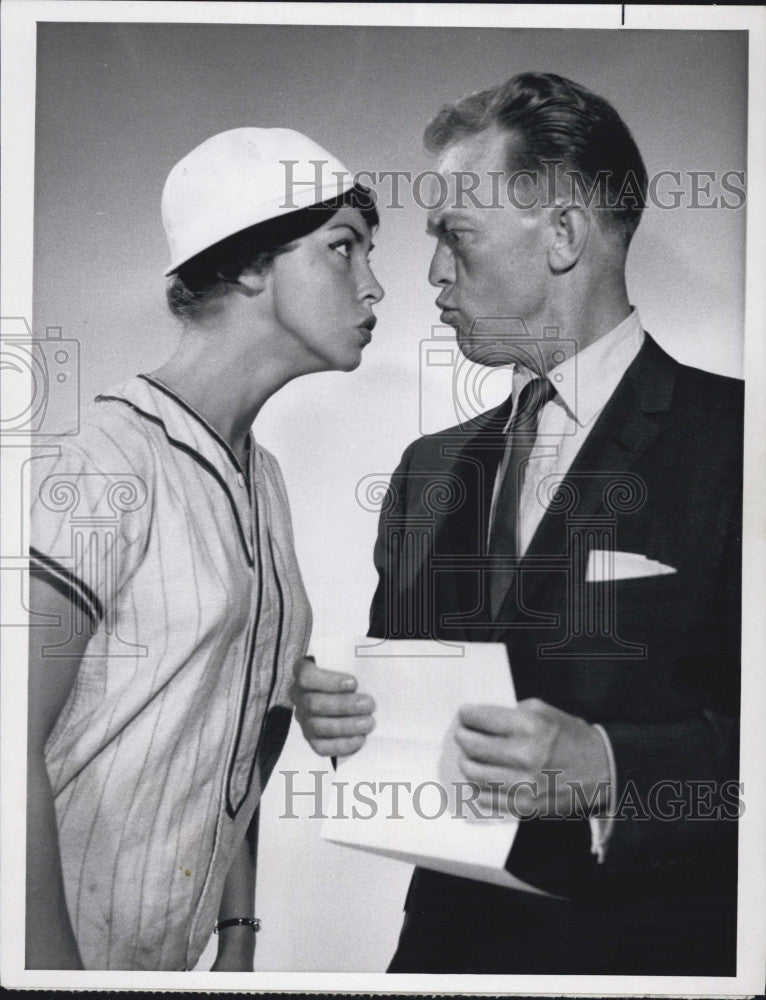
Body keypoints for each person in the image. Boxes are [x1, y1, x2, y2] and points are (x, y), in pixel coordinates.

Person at [292, 73, 742, 974]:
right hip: (440, 956)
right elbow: (408, 734)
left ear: (566, 234)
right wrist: (345, 721)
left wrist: (613, 769)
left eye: (456, 234)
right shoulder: (425, 472)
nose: (430, 274)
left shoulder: (741, 443)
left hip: (653, 963)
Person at [26, 127, 383, 971]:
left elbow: (242, 735)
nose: (374, 286)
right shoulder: (103, 461)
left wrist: (238, 934)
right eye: (344, 249)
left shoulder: (265, 481)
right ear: (251, 264)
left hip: (169, 962)